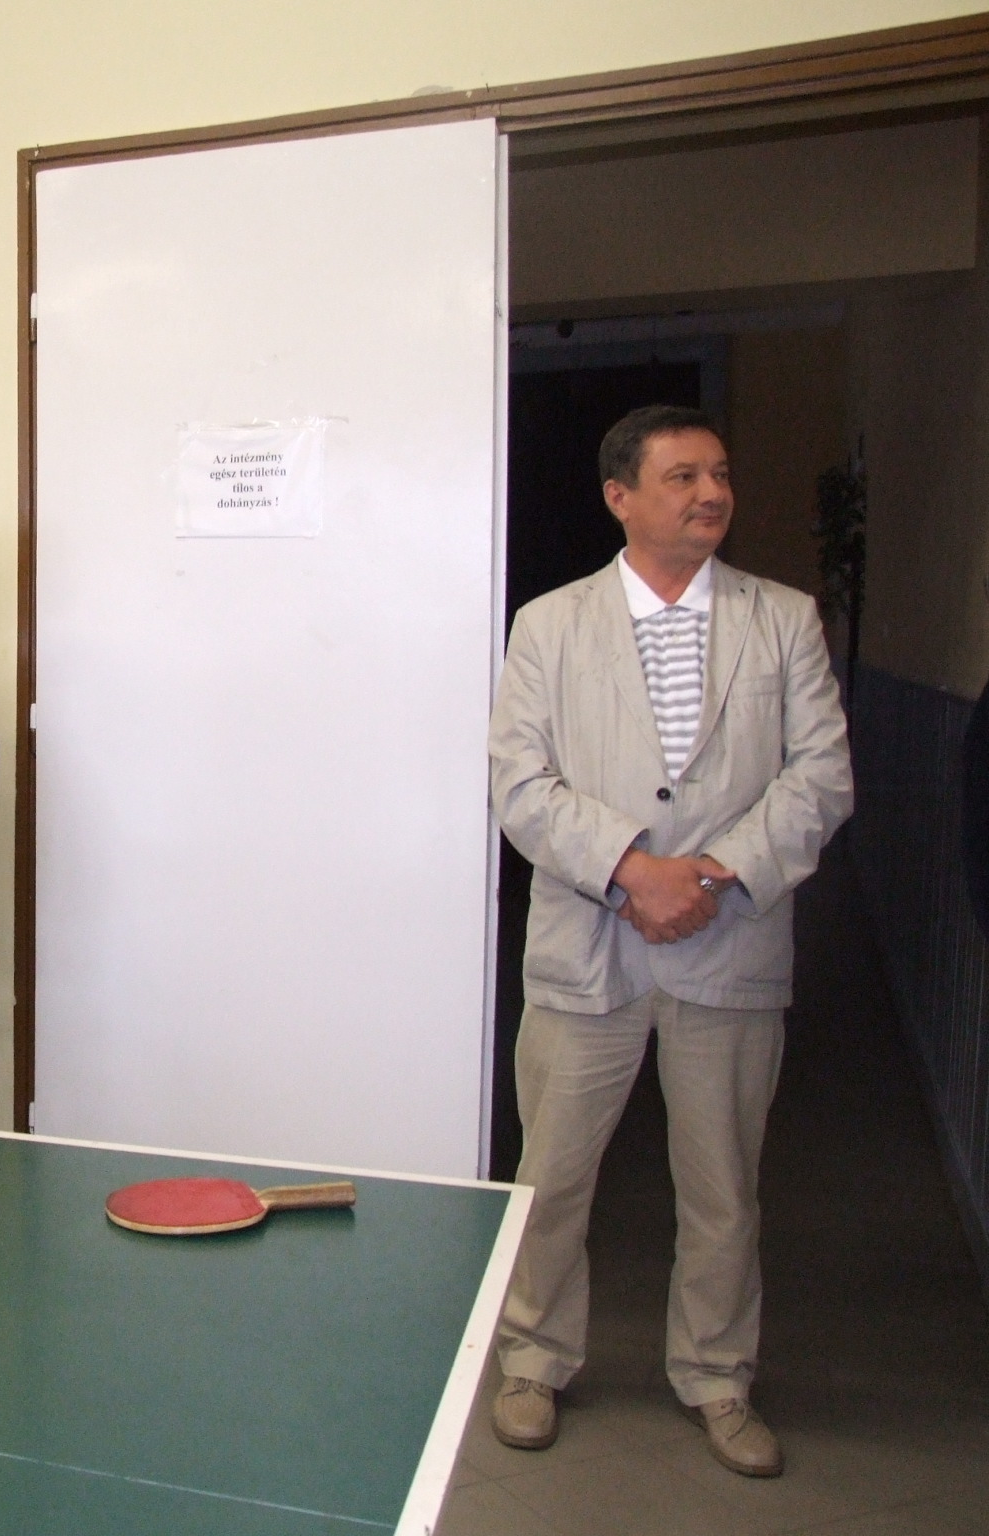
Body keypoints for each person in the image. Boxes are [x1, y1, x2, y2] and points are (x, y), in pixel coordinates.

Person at [487, 406, 853, 1477]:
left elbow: (821, 778)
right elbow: (519, 783)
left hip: (728, 943)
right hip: (586, 947)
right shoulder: (549, 625)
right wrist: (630, 870)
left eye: (719, 474)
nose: (710, 493)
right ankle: (533, 1357)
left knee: (723, 1189)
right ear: (620, 497)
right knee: (551, 1179)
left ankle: (717, 1374)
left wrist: (714, 874)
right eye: (683, 476)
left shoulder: (781, 619)